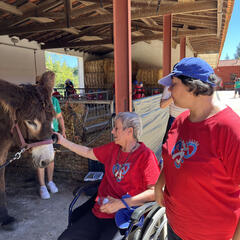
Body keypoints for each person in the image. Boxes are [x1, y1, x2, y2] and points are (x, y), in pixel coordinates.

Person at [154, 57, 240, 240]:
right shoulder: (180, 121)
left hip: (212, 235)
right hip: (175, 226)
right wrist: (159, 184)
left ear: (194, 87)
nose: (169, 90)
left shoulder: (230, 128)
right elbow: (173, 159)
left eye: (174, 83)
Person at [55, 112, 160, 240]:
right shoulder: (113, 149)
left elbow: (154, 192)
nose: (112, 132)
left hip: (125, 217)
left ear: (129, 131)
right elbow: (88, 152)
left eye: (116, 128)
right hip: (100, 211)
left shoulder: (146, 156)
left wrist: (120, 204)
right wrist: (63, 141)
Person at [36, 71, 66, 200]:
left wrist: (63, 131)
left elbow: (60, 117)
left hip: (53, 133)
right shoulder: (38, 100)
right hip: (41, 134)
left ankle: (50, 181)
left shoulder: (54, 100)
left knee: (51, 159)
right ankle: (42, 186)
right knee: (41, 160)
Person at [158, 71, 187, 144]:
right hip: (174, 120)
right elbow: (162, 105)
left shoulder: (189, 86)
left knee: (185, 148)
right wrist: (173, 96)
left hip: (188, 120)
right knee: (168, 146)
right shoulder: (168, 87)